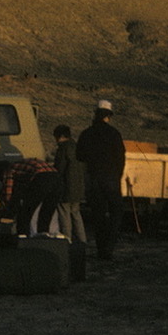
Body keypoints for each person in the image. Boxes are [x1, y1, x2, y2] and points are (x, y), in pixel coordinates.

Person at [76, 99, 126, 260]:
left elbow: (79, 156)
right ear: (109, 116)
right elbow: (121, 158)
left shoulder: (86, 133)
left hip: (94, 179)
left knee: (98, 215)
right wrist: (117, 175)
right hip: (111, 179)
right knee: (116, 213)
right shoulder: (114, 134)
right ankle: (108, 249)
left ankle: (100, 249)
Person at [0, 157, 63, 235]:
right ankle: (43, 234)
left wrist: (7, 207)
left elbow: (8, 190)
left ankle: (23, 235)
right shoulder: (23, 164)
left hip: (42, 178)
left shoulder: (9, 169)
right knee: (47, 212)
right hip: (57, 178)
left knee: (26, 212)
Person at [53, 124, 86, 243]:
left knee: (64, 216)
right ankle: (83, 241)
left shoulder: (63, 149)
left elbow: (59, 169)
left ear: (60, 136)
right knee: (76, 215)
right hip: (78, 188)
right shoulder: (77, 147)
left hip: (66, 188)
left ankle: (67, 241)